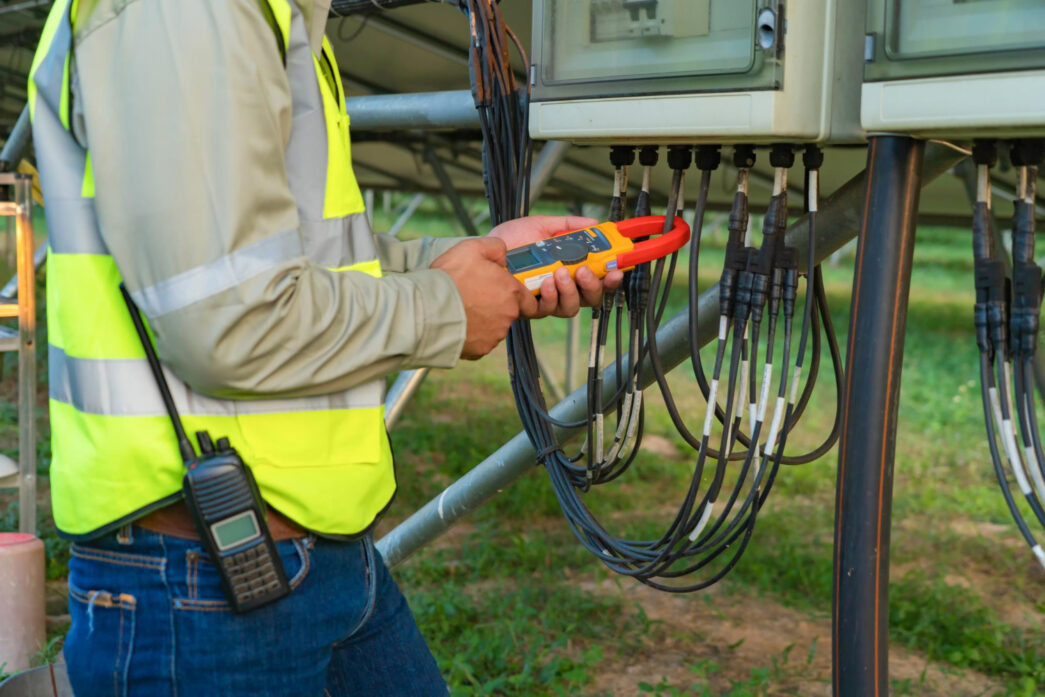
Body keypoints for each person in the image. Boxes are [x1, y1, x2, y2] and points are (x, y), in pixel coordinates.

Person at [28, 0, 622, 694]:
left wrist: (486, 258)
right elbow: (226, 319)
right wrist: (445, 305)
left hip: (316, 555)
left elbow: (312, 262)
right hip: (199, 581)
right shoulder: (191, 12)